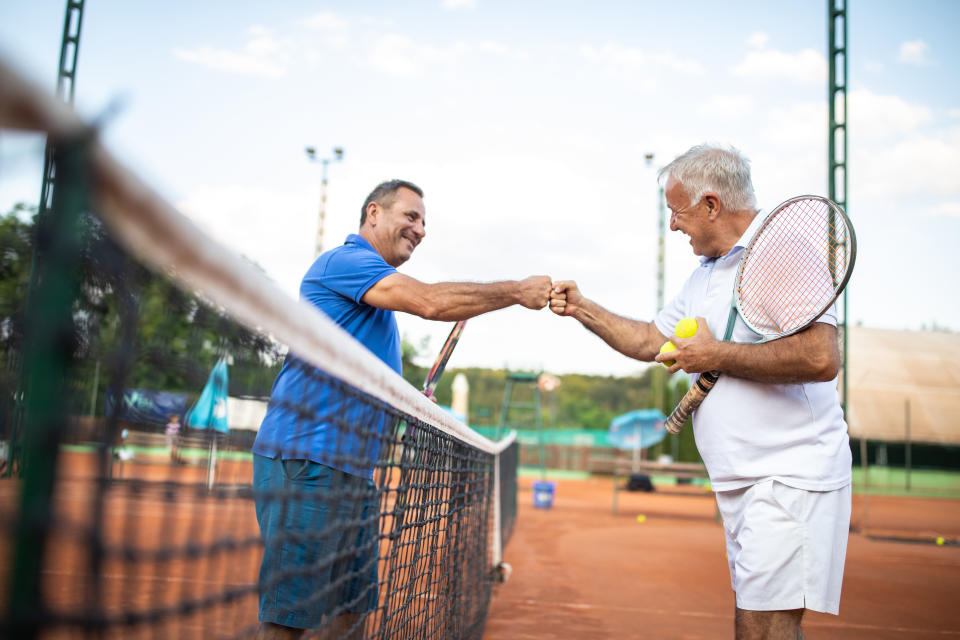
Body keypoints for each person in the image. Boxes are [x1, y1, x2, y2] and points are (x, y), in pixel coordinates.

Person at [550, 144, 851, 640]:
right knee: (759, 622)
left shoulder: (782, 252)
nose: (673, 225)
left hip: (791, 473)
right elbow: (650, 340)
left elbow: (821, 358)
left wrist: (717, 355)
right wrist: (583, 308)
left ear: (712, 205)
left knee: (765, 624)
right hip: (742, 478)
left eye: (677, 212)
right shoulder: (707, 273)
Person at [252, 179, 552, 639]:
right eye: (411, 217)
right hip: (307, 460)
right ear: (373, 213)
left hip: (353, 473)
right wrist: (515, 291)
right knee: (288, 618)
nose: (421, 229)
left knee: (352, 608)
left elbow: (365, 386)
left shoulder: (375, 312)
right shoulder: (345, 263)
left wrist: (409, 405)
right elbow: (431, 302)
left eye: (425, 222)